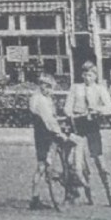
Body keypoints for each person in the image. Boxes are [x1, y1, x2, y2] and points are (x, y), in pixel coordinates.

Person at [63, 61, 111, 207]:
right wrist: (71, 114)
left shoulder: (100, 89)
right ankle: (80, 192)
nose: (88, 77)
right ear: (82, 75)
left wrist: (98, 109)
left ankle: (110, 194)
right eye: (86, 74)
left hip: (92, 124)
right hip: (78, 124)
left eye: (91, 75)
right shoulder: (75, 88)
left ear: (95, 76)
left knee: (99, 159)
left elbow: (110, 108)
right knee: (74, 160)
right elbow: (67, 107)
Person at [29, 74, 64, 210]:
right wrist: (59, 133)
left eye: (50, 87)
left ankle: (36, 196)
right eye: (46, 86)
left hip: (41, 132)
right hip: (45, 134)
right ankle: (36, 198)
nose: (48, 90)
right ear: (40, 85)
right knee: (42, 165)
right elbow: (49, 120)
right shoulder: (41, 100)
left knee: (42, 165)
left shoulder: (41, 98)